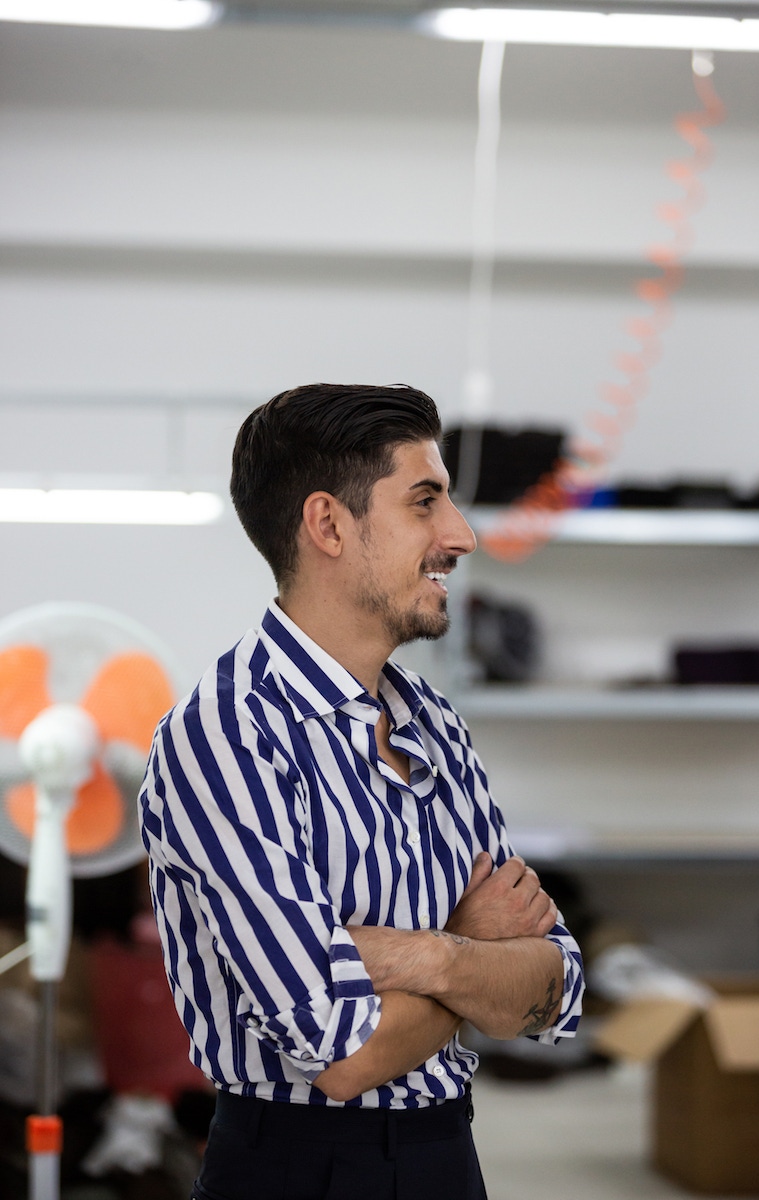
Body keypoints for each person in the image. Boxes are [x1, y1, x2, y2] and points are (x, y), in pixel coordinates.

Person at [138, 383, 584, 1200]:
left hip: (447, 1151)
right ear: (329, 525)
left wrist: (424, 952)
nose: (463, 535)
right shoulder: (228, 736)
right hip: (298, 1168)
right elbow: (344, 1057)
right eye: (425, 501)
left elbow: (555, 991)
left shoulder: (435, 723)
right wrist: (474, 951)